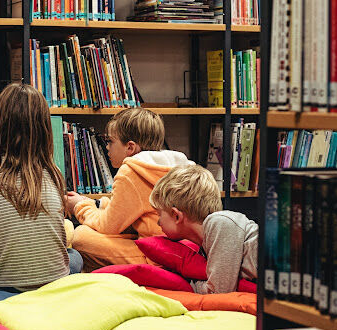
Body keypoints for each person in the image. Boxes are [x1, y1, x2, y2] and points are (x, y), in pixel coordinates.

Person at [0, 83, 83, 291]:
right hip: (54, 282)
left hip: (1, 284)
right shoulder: (54, 172)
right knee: (75, 257)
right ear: (45, 130)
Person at [65, 107, 193, 270]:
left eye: (110, 141)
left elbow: (108, 226)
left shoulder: (132, 172)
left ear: (130, 148)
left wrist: (80, 206)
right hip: (181, 252)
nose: (107, 148)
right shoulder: (172, 166)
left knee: (81, 236)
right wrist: (98, 204)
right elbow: (130, 209)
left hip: (157, 258)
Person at [149, 164, 257, 294]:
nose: (158, 222)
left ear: (176, 215)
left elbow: (219, 291)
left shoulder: (219, 223)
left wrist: (188, 284)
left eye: (159, 214)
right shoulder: (205, 246)